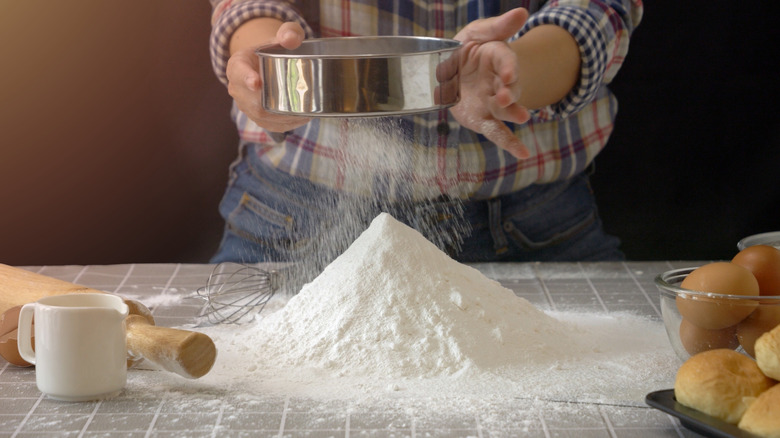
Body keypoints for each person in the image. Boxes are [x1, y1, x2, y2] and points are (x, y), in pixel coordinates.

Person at [207, 0, 643, 269]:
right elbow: (247, 6)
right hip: (296, 214)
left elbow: (599, 10)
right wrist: (267, 67)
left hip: (532, 228)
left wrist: (511, 74)